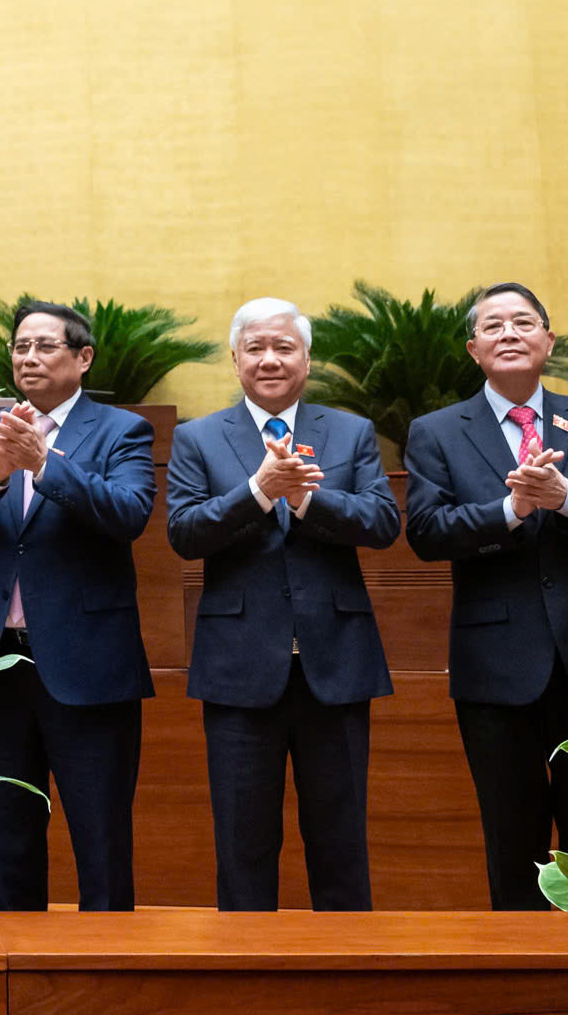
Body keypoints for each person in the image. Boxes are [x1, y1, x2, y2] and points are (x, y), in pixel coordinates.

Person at [403, 282, 568, 910]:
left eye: (523, 322)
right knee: (512, 837)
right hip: (494, 665)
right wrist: (511, 510)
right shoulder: (436, 431)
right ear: (474, 350)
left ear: (548, 341)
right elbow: (426, 533)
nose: (509, 334)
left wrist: (567, 497)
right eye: (493, 326)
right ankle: (519, 962)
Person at [165, 297, 400, 911]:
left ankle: (348, 963)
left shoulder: (349, 432)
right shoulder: (197, 438)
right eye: (256, 348)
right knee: (243, 842)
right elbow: (184, 533)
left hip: (336, 664)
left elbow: (382, 523)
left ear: (307, 359)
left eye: (284, 347)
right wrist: (257, 491)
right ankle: (245, 964)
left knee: (340, 840)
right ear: (235, 358)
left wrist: (306, 501)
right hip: (238, 667)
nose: (269, 359)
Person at [0, 299, 155, 911]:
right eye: (20, 346)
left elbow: (129, 514)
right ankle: (16, 954)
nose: (28, 357)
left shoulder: (122, 430)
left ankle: (107, 957)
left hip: (88, 667)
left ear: (83, 357)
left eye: (45, 346)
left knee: (100, 837)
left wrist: (44, 463)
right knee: (8, 834)